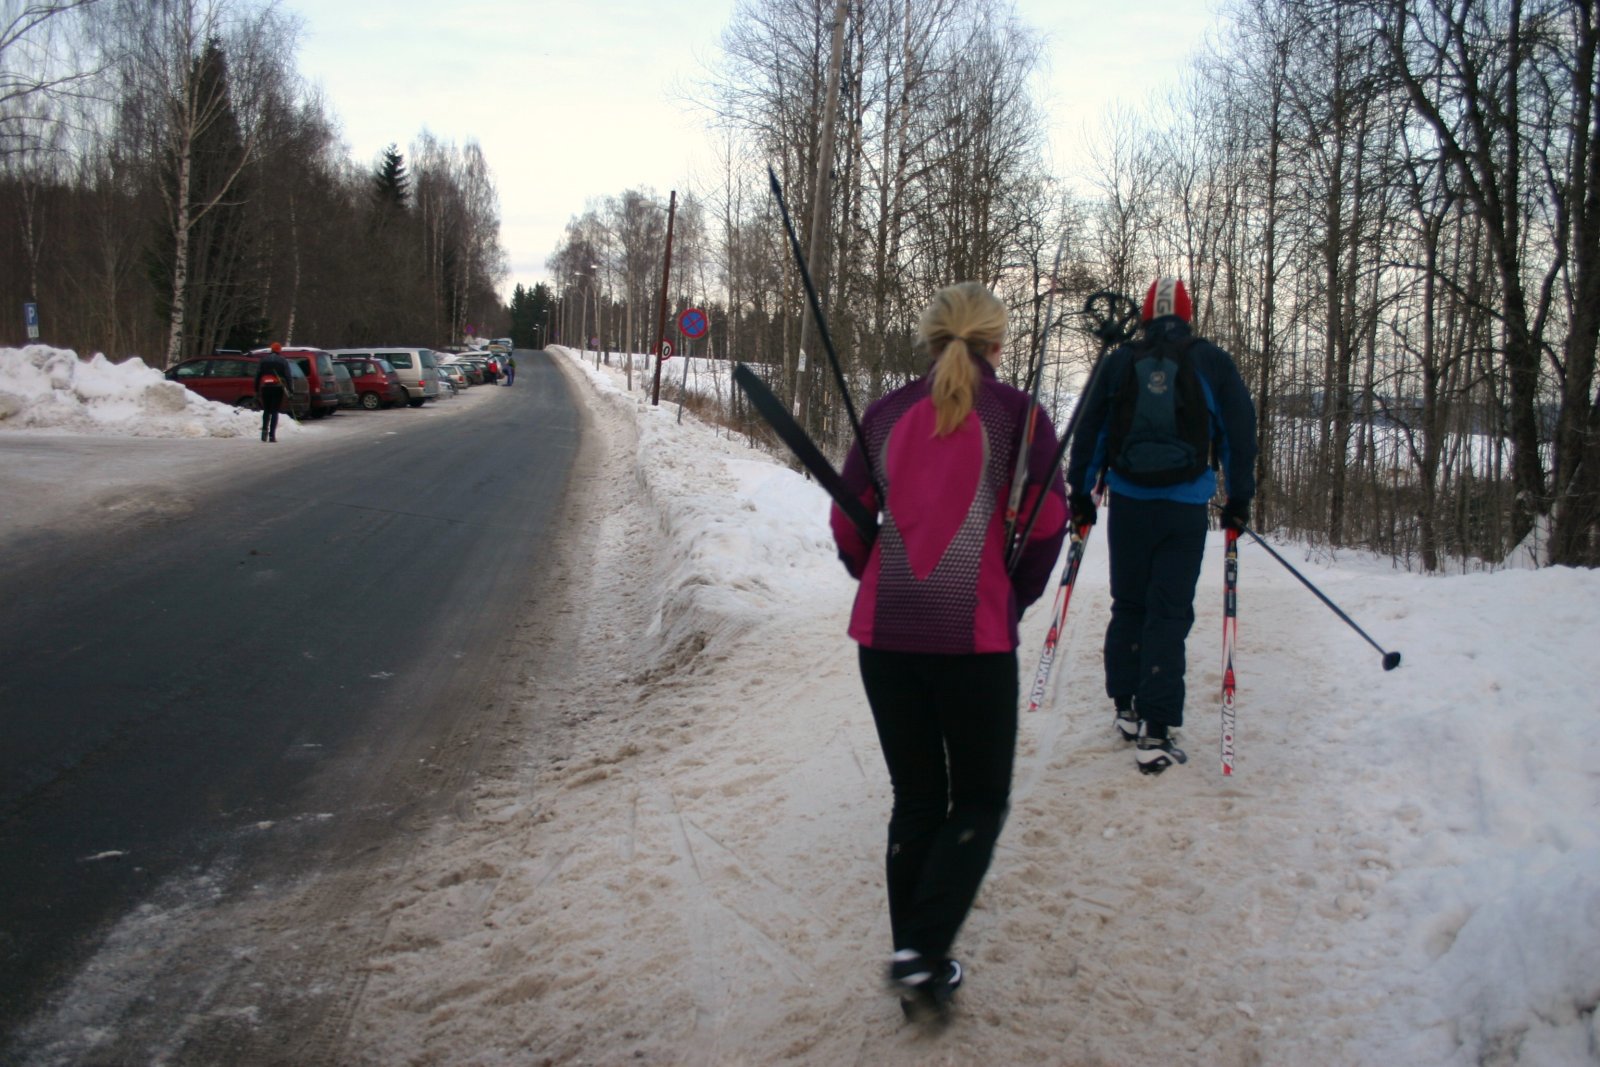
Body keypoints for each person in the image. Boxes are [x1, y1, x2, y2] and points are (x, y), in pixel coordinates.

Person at [830, 281, 1069, 1015]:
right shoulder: (1021, 419)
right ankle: (924, 952)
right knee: (980, 799)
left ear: (929, 339)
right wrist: (1014, 595)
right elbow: (1049, 524)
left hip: (887, 638)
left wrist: (880, 568)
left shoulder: (885, 415)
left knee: (918, 799)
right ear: (998, 343)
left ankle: (917, 968)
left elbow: (848, 528)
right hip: (974, 640)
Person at [1065, 277, 1258, 774]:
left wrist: (1080, 495)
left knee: (1128, 604)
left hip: (1128, 503)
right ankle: (1156, 729)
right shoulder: (1210, 360)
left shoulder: (1120, 361)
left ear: (1145, 314)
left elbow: (1091, 429)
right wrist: (1238, 498)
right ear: (1187, 316)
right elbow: (1239, 431)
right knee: (1168, 613)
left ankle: (1126, 710)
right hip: (1184, 508)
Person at [255, 342, 293, 442]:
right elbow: (288, 376)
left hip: (265, 388)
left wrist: (256, 389)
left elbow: (258, 375)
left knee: (266, 410)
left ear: (271, 349)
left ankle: (264, 431)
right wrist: (290, 389)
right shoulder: (283, 361)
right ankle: (272, 435)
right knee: (274, 411)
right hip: (277, 388)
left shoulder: (263, 360)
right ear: (279, 350)